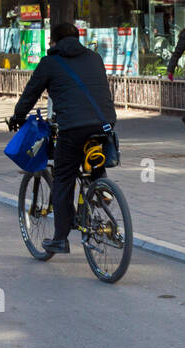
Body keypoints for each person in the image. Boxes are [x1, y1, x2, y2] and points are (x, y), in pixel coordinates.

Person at [8, 22, 117, 255]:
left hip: (73, 127)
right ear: (77, 38)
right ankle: (101, 188)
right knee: (92, 154)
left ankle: (59, 239)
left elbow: (30, 93)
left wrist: (17, 117)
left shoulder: (50, 63)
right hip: (105, 123)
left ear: (54, 42)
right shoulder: (95, 58)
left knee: (63, 178)